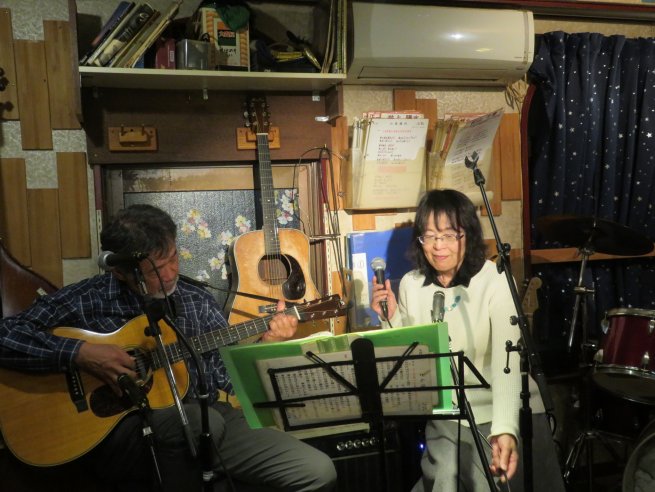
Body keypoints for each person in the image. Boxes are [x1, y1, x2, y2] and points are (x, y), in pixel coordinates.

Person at [0, 204, 337, 492]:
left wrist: (267, 342)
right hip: (122, 431)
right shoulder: (88, 298)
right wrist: (82, 354)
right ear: (120, 272)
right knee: (197, 422)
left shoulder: (195, 300)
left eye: (173, 257)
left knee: (317, 472)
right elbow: (6, 334)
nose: (172, 272)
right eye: (156, 269)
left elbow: (226, 377)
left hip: (208, 417)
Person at [370, 189, 563, 492]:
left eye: (449, 235)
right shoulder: (411, 284)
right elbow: (412, 361)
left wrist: (505, 428)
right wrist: (390, 317)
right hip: (449, 412)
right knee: (449, 477)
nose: (438, 246)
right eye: (429, 236)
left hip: (506, 404)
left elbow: (507, 362)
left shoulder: (495, 279)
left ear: (467, 235)